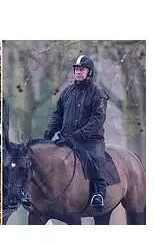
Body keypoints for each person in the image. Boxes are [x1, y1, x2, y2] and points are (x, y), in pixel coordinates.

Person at [44, 55, 108, 207]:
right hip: (66, 138)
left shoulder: (97, 93)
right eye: (77, 69)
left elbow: (97, 119)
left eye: (82, 70)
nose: (78, 72)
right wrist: (49, 131)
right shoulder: (66, 92)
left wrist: (79, 134)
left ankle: (99, 194)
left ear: (89, 72)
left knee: (96, 158)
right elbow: (58, 114)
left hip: (90, 140)